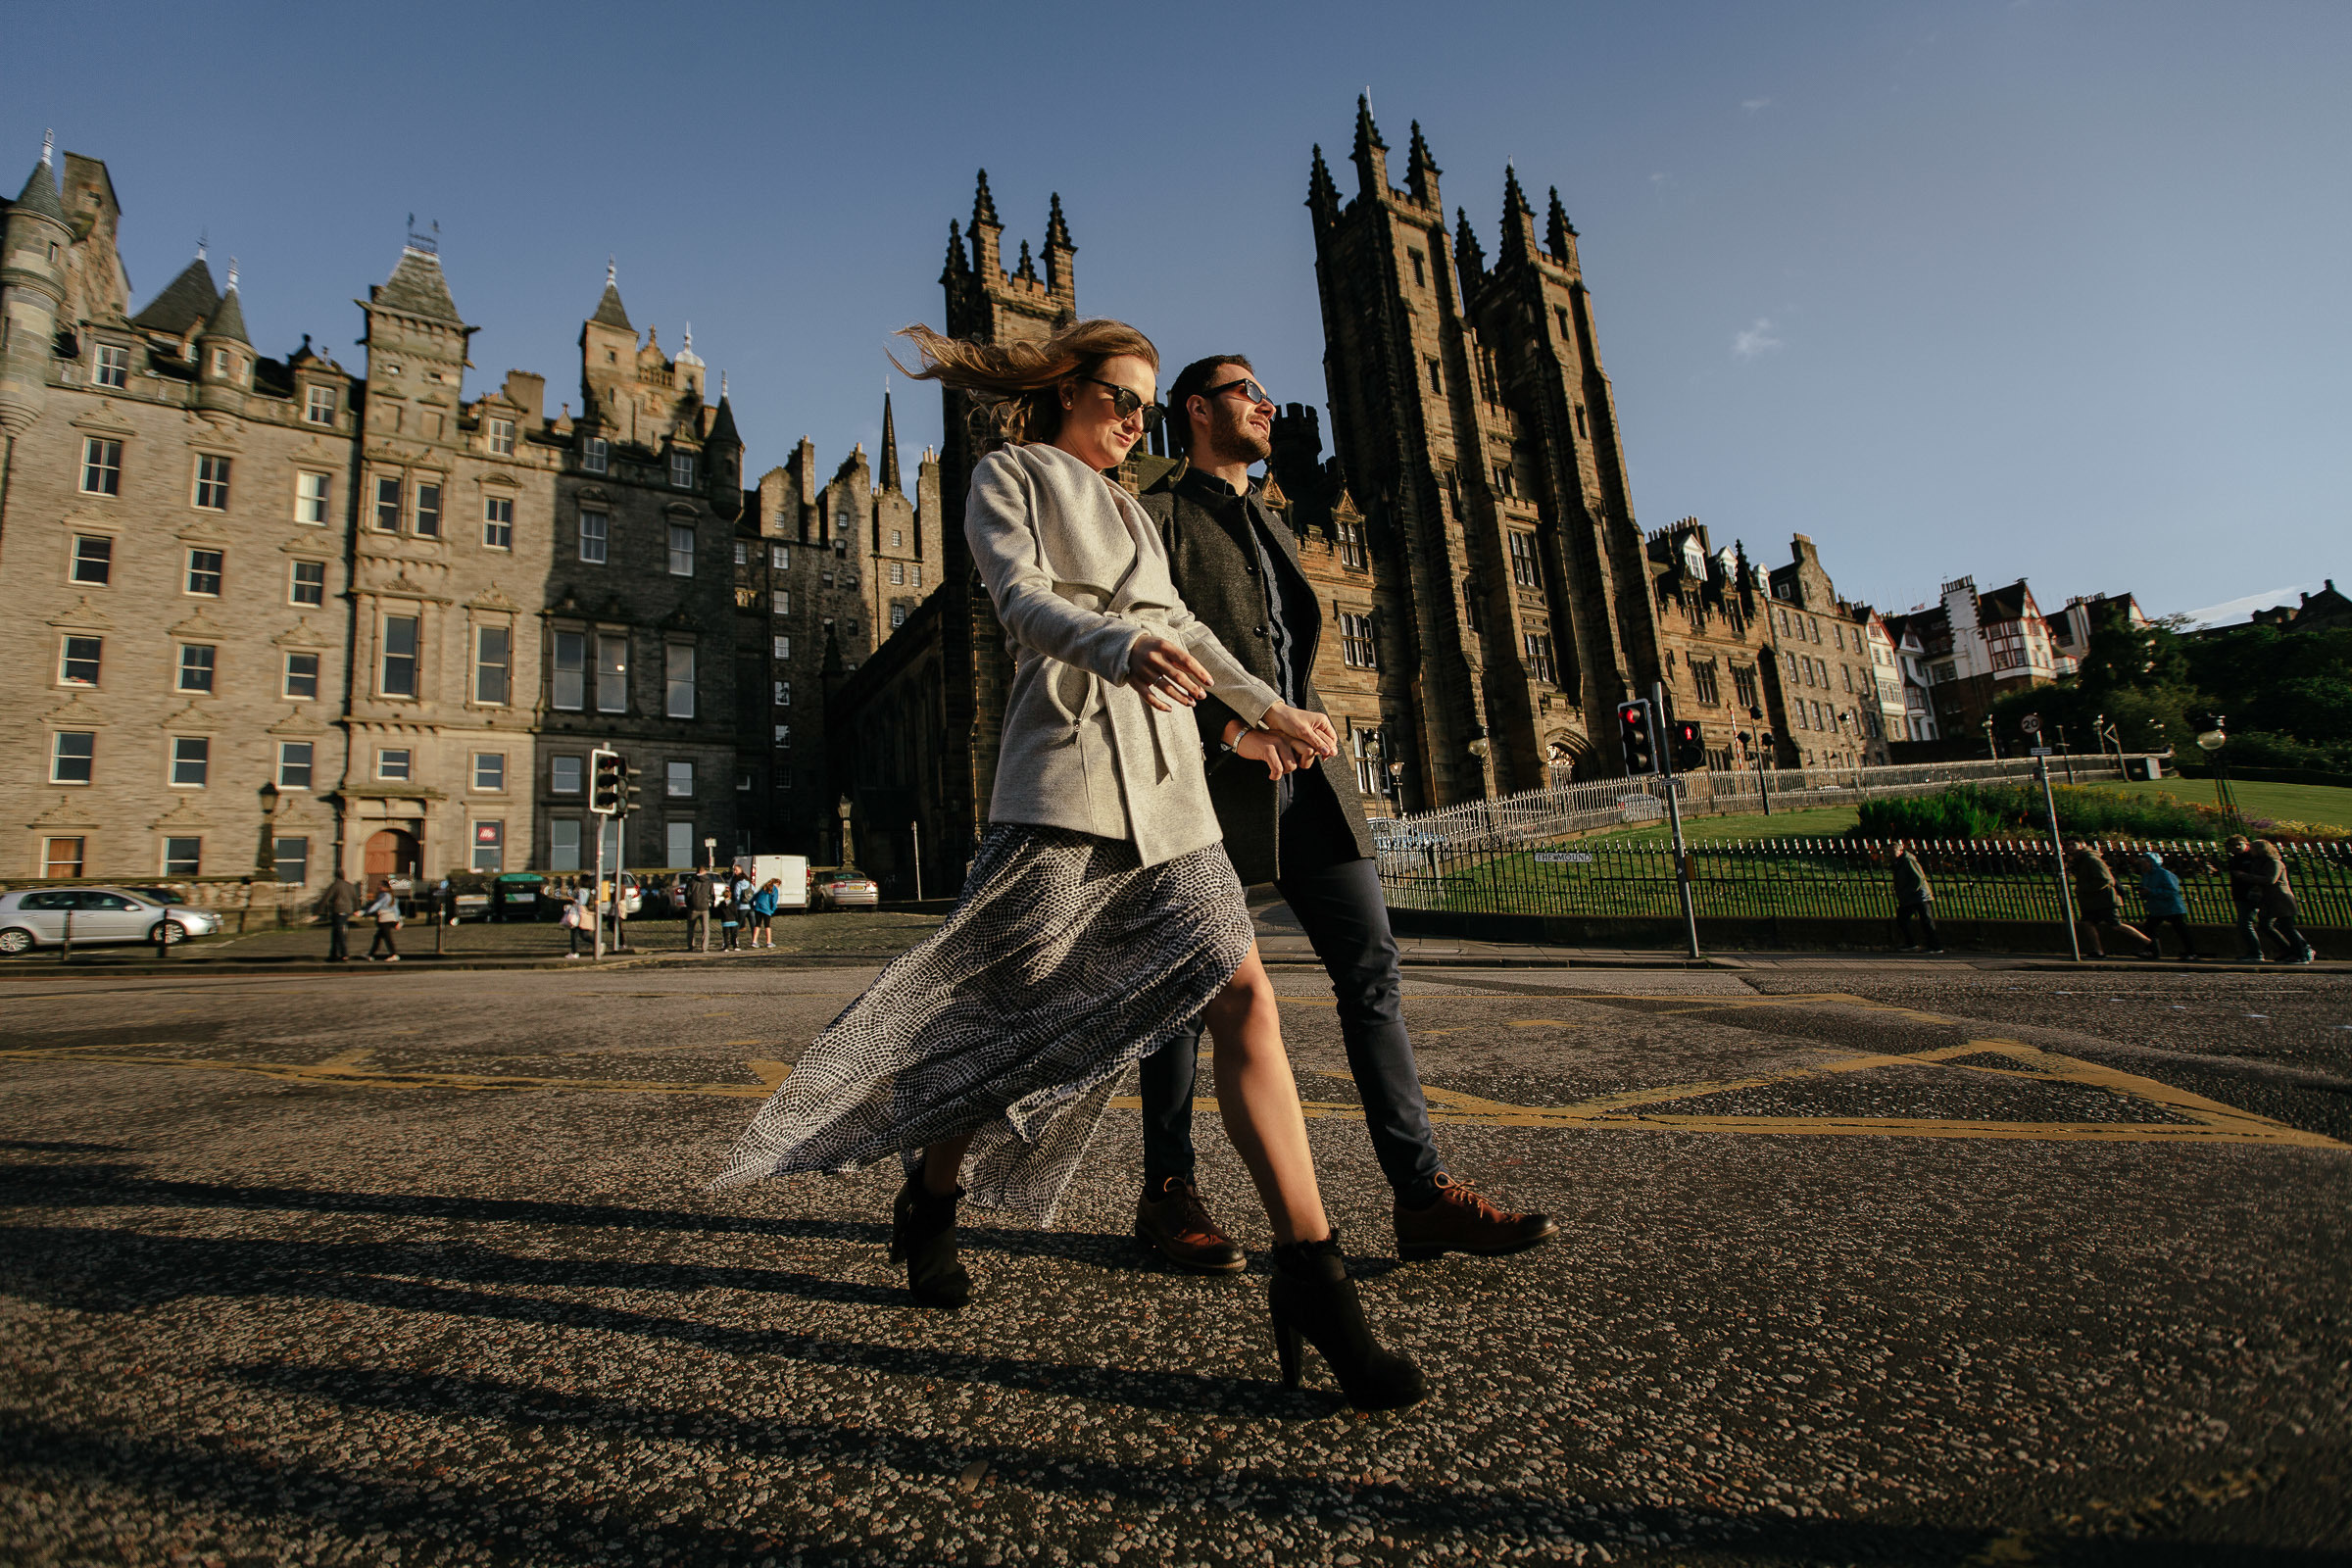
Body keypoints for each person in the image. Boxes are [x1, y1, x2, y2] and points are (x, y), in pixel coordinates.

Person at [718, 318, 1423, 1411]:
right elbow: (1023, 601)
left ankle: (1315, 1279)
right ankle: (933, 1193)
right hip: (1063, 797)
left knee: (1246, 999)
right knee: (999, 1023)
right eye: (1125, 400)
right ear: (1066, 391)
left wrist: (1261, 710)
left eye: (1149, 406)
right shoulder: (1012, 478)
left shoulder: (1135, 510)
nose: (1140, 422)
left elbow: (1181, 622)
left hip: (1173, 804)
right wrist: (1118, 645)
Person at [1131, 354, 1553, 1270]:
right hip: (1208, 782)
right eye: (1248, 391)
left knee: (1372, 975)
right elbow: (1146, 651)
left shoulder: (1279, 521)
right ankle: (1168, 1194)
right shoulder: (1154, 515)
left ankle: (1420, 1194)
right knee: (1180, 991)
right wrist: (1223, 737)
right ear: (1197, 411)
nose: (1267, 404)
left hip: (1313, 780)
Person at [2068, 840, 2155, 958]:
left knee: (2116, 925)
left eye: (2073, 844)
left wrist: (2084, 888)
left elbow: (2106, 879)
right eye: (2067, 845)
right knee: (2087, 923)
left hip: (2105, 900)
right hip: (2092, 901)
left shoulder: (2092, 859)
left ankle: (2149, 943)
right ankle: (2098, 951)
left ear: (2082, 844)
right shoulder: (2081, 860)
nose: (2070, 847)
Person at [2247, 839, 2317, 964]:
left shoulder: (2275, 863)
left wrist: (2245, 877)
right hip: (2269, 899)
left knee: (2286, 927)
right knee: (2265, 925)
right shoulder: (2259, 863)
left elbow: (2271, 879)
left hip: (2281, 898)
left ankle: (2301, 953)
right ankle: (2289, 950)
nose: (2250, 851)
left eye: (2253, 849)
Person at [2135, 852, 2198, 960]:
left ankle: (2191, 952)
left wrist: (2151, 891)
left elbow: (2173, 891)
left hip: (2172, 907)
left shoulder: (2165, 874)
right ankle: (2152, 951)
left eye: (2145, 862)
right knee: (2150, 928)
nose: (2142, 865)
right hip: (2158, 908)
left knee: (2181, 930)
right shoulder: (2147, 875)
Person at [1889, 840, 1942, 953]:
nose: (1891, 854)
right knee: (1903, 918)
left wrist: (1909, 891)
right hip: (1912, 896)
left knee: (1926, 921)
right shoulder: (1899, 862)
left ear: (1900, 850)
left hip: (1920, 896)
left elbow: (1919, 878)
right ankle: (1911, 943)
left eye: (1893, 851)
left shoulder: (1908, 861)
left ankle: (1935, 946)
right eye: (1889, 852)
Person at [316, 871, 361, 961]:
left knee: (339, 932)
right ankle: (334, 953)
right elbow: (355, 898)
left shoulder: (336, 885)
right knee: (337, 932)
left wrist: (318, 911)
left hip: (338, 910)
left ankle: (344, 953)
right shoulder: (350, 885)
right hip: (348, 910)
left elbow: (326, 897)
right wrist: (356, 909)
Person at [363, 885, 403, 961]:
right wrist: (399, 921)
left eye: (381, 886)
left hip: (384, 918)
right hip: (390, 918)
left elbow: (376, 905)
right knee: (378, 937)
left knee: (387, 937)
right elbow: (396, 910)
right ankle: (370, 954)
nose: (379, 887)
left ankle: (393, 954)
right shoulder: (392, 896)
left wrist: (364, 912)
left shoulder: (384, 896)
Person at [562, 882, 592, 957]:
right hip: (583, 913)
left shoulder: (582, 891)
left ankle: (574, 952)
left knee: (576, 933)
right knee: (582, 934)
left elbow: (581, 902)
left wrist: (573, 900)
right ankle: (574, 952)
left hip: (578, 914)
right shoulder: (588, 890)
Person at [687, 869, 714, 952]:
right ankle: (704, 947)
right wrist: (711, 904)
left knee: (691, 928)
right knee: (705, 928)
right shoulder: (709, 881)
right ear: (704, 871)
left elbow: (687, 894)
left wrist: (689, 904)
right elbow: (712, 894)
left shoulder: (691, 881)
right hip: (705, 907)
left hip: (693, 907)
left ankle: (691, 946)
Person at [752, 878, 781, 949]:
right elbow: (774, 901)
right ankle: (769, 942)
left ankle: (754, 941)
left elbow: (755, 896)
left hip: (758, 907)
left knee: (757, 924)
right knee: (767, 925)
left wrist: (751, 904)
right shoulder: (775, 889)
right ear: (777, 884)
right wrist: (773, 910)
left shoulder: (764, 886)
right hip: (766, 909)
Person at [717, 883, 742, 952]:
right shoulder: (733, 904)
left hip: (725, 921)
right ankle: (735, 946)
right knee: (734, 934)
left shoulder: (721, 904)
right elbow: (735, 912)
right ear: (730, 895)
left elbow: (719, 912)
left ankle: (726, 946)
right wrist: (737, 919)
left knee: (726, 935)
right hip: (733, 921)